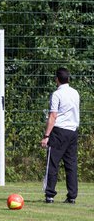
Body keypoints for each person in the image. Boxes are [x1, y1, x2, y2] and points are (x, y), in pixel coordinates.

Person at [41, 67, 80, 204]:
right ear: (68, 79)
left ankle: (50, 194)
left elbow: (53, 116)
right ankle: (72, 196)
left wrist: (46, 136)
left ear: (56, 79)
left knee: (52, 163)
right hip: (73, 132)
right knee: (71, 164)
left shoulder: (57, 94)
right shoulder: (75, 93)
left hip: (59, 132)